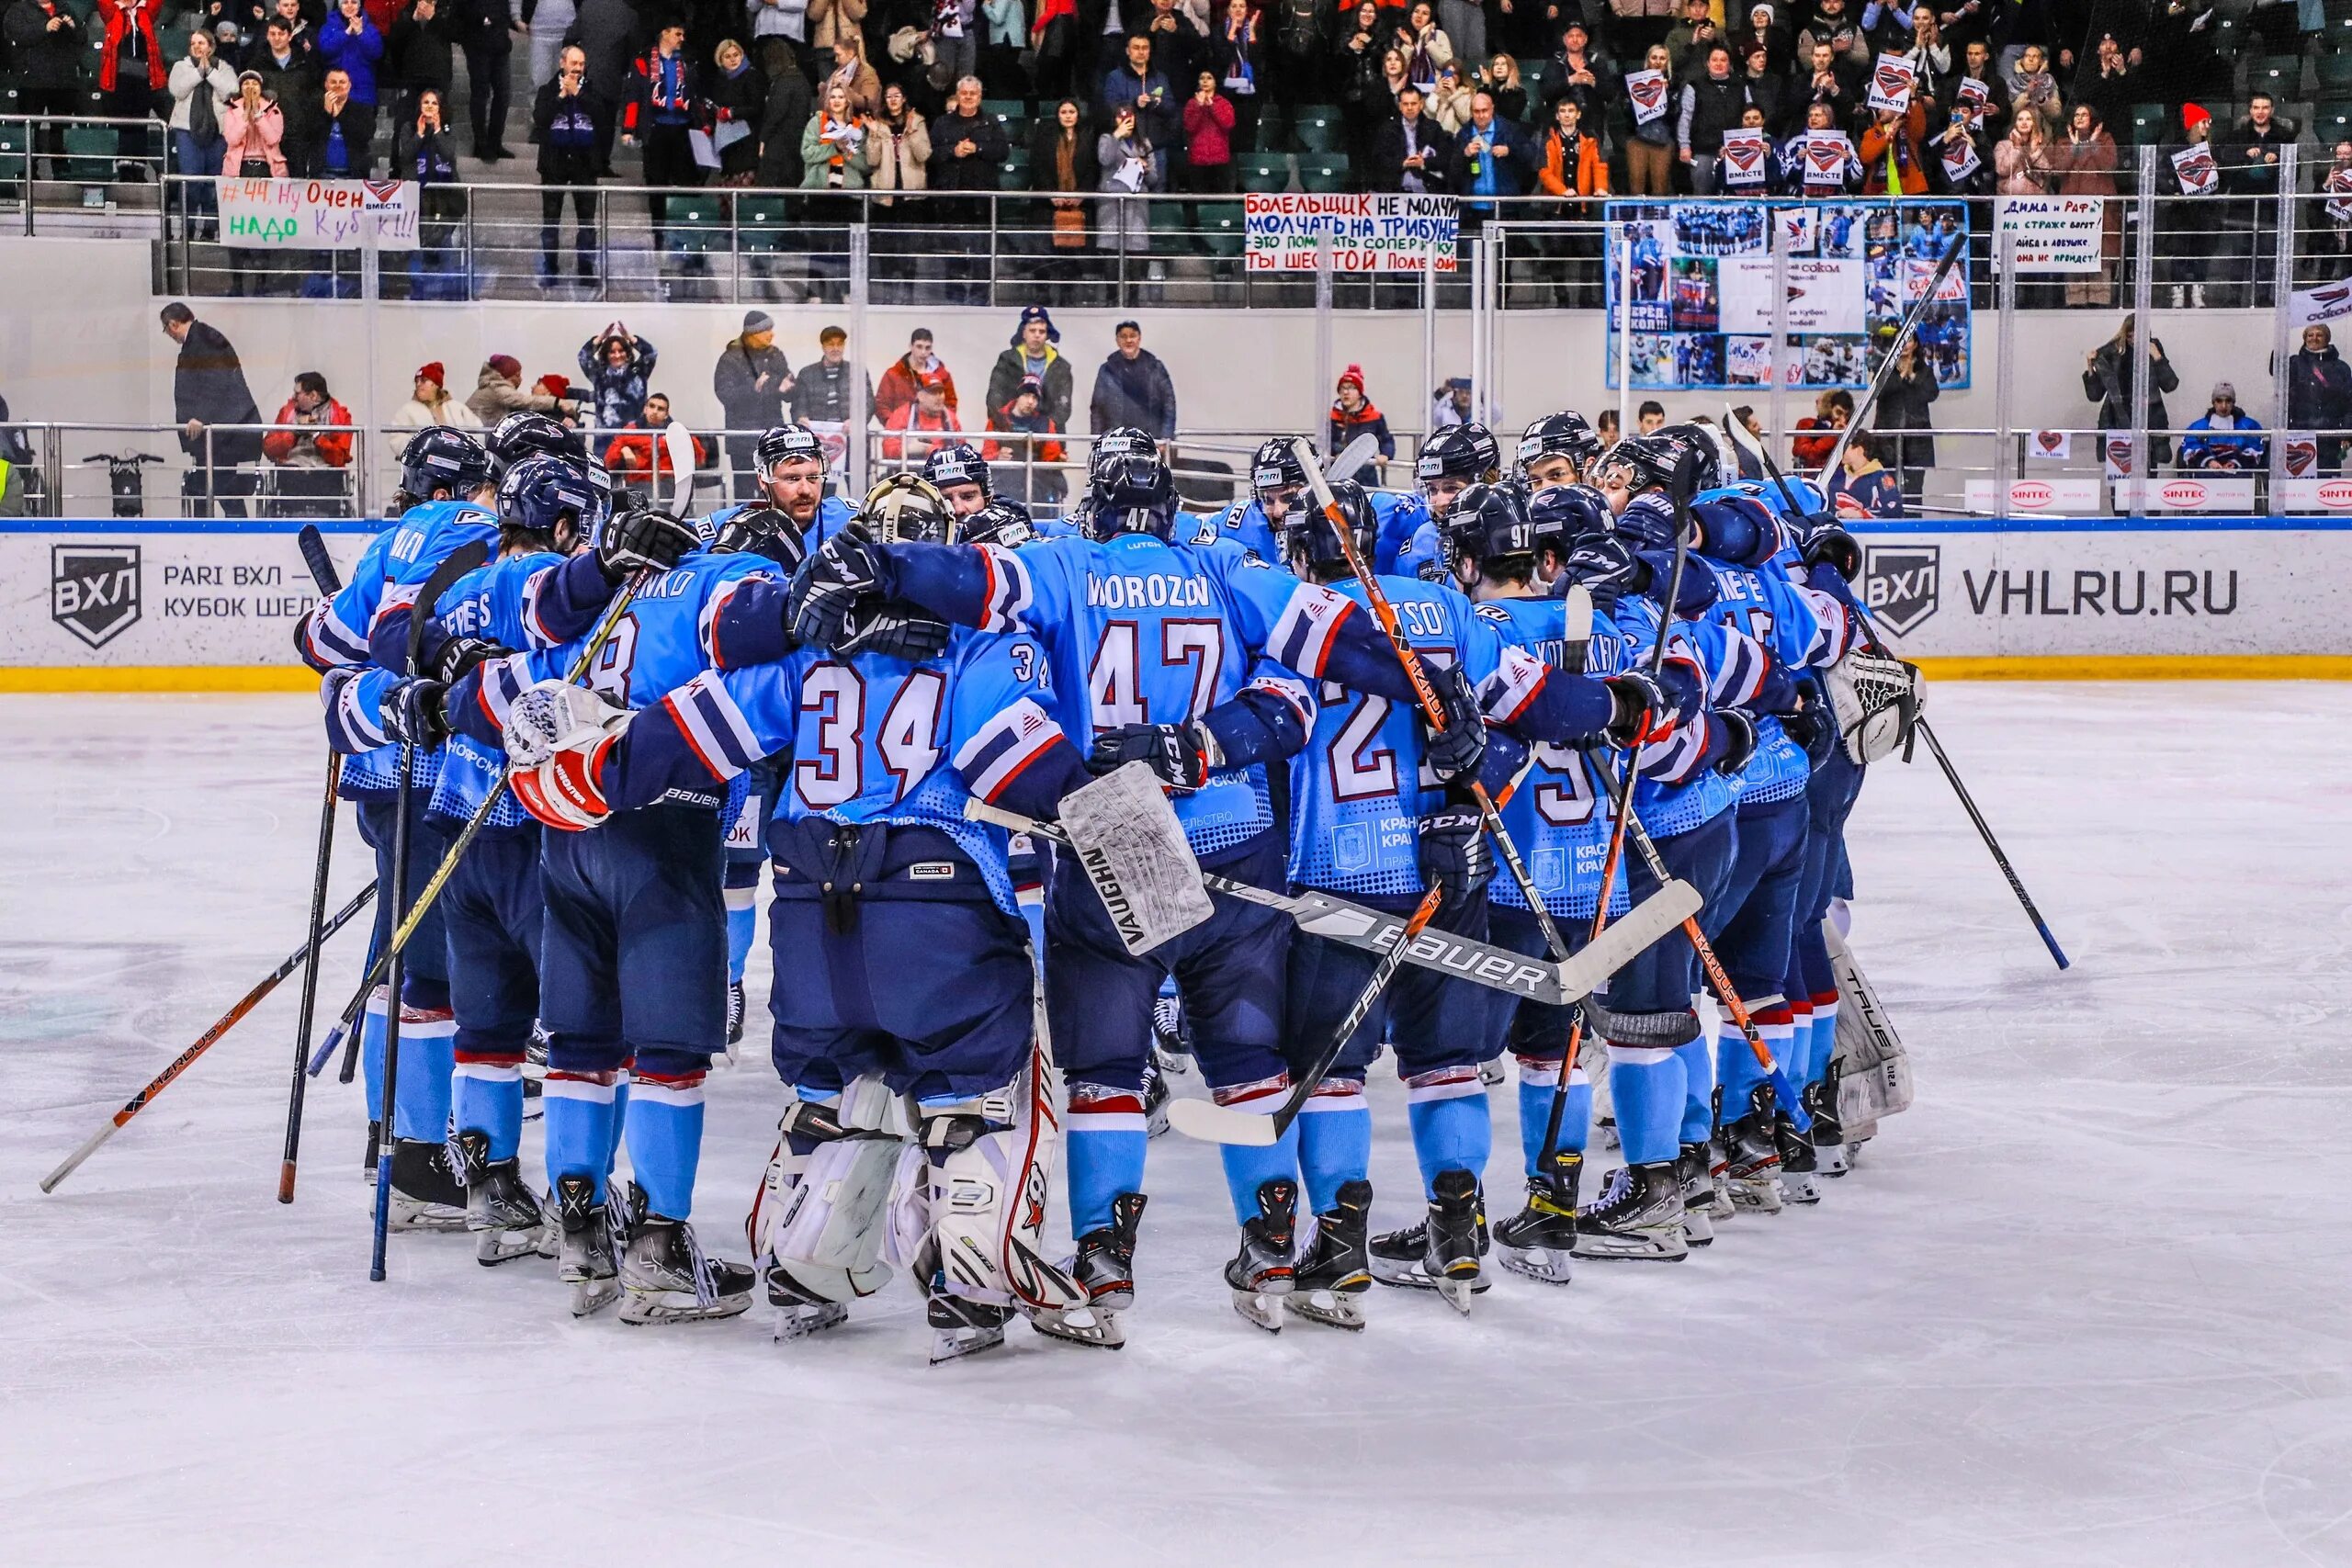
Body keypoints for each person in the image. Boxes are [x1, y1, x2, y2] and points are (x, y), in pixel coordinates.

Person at [162, 302, 264, 518]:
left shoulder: (203, 340)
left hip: (222, 436)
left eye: (167, 329)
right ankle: (228, 532)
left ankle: (229, 533)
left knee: (219, 489)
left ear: (172, 324)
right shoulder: (202, 338)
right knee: (212, 489)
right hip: (218, 436)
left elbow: (217, 381)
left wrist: (201, 417)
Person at [625, 21, 704, 253]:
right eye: (678, 34)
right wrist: (628, 129)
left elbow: (697, 96)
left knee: (684, 184)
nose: (682, 38)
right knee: (656, 183)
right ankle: (658, 236)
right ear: (664, 33)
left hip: (683, 129)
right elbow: (633, 96)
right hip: (656, 128)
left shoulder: (688, 60)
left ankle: (683, 237)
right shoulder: (643, 61)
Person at [532, 44, 603, 286]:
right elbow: (540, 119)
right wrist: (562, 96)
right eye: (574, 64)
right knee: (551, 220)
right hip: (555, 163)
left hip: (584, 163)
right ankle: (550, 267)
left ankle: (585, 269)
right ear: (562, 63)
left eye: (582, 64)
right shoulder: (547, 90)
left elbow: (602, 117)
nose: (578, 69)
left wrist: (579, 95)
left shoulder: (592, 90)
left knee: (587, 222)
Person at [715, 311, 796, 499]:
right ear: (753, 333)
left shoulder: (776, 355)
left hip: (772, 437)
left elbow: (789, 386)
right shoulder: (730, 359)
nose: (771, 334)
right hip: (742, 439)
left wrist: (787, 389)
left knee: (773, 489)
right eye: (767, 329)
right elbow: (725, 394)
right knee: (744, 491)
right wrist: (755, 388)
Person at [2083, 312, 2179, 468]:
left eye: (2137, 337)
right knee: (2118, 476)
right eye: (2129, 337)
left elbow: (2170, 385)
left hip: (2148, 420)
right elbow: (2094, 395)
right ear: (2124, 335)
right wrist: (2090, 366)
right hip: (2117, 419)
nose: (2134, 341)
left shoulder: (2153, 348)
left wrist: (2157, 356)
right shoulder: (2112, 352)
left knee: (2148, 476)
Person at [169, 30, 237, 242]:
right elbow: (177, 90)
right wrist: (199, 72)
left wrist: (211, 73)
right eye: (193, 43)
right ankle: (187, 228)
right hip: (187, 131)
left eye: (201, 43)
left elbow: (231, 90)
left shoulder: (224, 67)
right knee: (190, 182)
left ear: (211, 46)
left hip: (217, 132)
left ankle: (210, 228)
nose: (197, 47)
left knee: (212, 184)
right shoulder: (181, 67)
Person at [261, 370, 356, 518]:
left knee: (330, 476)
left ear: (313, 396)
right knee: (290, 474)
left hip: (326, 472)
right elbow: (269, 448)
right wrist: (294, 432)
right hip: (292, 469)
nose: (294, 397)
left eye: (297, 393)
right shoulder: (287, 413)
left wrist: (316, 435)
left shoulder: (339, 416)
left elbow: (339, 457)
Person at [2052, 102, 2118, 308]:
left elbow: (2109, 165)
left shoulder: (2105, 139)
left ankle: (2099, 300)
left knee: (2100, 252)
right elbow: (2059, 170)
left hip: (2100, 207)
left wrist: (2092, 144)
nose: (2079, 118)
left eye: (2084, 115)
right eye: (2076, 115)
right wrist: (2074, 147)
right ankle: (2076, 300)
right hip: (2073, 208)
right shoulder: (2063, 143)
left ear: (2093, 120)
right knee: (2074, 250)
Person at [602, 391, 710, 496]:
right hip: (637, 484)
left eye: (660, 409)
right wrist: (623, 449)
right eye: (652, 406)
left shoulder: (678, 433)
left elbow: (699, 457)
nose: (655, 411)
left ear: (666, 414)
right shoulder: (630, 430)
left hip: (668, 484)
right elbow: (609, 461)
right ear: (645, 409)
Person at [1088, 321, 1179, 446]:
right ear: (1117, 340)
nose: (1128, 340)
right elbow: (1097, 409)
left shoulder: (1155, 367)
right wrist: (1097, 442)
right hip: (1117, 442)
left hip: (1151, 441)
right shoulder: (1107, 369)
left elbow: (1169, 404)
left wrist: (1165, 437)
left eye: (1133, 335)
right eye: (1123, 336)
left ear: (1139, 338)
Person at [1028, 97, 1099, 255]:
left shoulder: (1088, 138)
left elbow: (1092, 169)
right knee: (1046, 249)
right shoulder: (1044, 137)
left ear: (1078, 115)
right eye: (1064, 112)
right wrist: (1051, 193)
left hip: (1080, 203)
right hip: (1048, 202)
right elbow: (1037, 167)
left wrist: (1081, 193)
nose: (1068, 116)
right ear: (1058, 115)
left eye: (1072, 112)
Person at [986, 306, 1074, 431]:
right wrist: (1006, 428)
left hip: (1048, 439)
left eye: (1042, 331)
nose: (1037, 335)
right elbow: (994, 397)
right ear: (1023, 333)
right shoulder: (1007, 360)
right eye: (1032, 330)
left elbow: (1063, 408)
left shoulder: (1062, 367)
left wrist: (1043, 429)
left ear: (1047, 335)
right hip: (1009, 434)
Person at [987, 373, 1068, 507]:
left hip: (1037, 486)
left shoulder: (1045, 423)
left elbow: (1051, 456)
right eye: (1026, 395)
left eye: (1034, 397)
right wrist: (998, 456)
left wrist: (1059, 460)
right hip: (1004, 483)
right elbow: (986, 454)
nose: (1030, 401)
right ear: (1017, 396)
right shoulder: (997, 420)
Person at [453, 0, 519, 160]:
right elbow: (461, 11)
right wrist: (482, 19)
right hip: (477, 43)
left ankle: (495, 142)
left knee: (503, 94)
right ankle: (480, 143)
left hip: (500, 44)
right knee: (480, 94)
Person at [1875, 336, 1939, 503]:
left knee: (1914, 490)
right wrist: (1900, 375)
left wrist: (1912, 376)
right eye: (1901, 340)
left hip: (1917, 441)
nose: (1904, 345)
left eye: (1909, 340)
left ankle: (1914, 521)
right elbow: (1878, 392)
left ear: (1916, 344)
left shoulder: (1924, 370)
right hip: (1887, 441)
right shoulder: (1885, 368)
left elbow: (1931, 394)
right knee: (1887, 488)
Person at [2284, 322, 2352, 476]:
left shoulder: (2341, 368)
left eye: (2319, 335)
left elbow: (2349, 403)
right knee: (2299, 485)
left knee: (2326, 483)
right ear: (2304, 339)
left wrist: (2347, 434)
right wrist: (2279, 344)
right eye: (2310, 335)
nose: (2314, 338)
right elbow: (2276, 371)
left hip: (2330, 436)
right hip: (2299, 434)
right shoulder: (2294, 364)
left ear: (2327, 339)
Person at [1451, 89, 1530, 218]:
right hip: (1473, 207)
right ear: (1471, 112)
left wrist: (1510, 150)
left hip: (1505, 205)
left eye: (1485, 110)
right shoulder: (1464, 134)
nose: (1481, 115)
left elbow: (1530, 155)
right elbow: (1453, 170)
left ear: (1492, 109)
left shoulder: (1509, 129)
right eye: (1476, 111)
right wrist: (1464, 154)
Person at [1095, 103, 1160, 256]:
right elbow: (1104, 160)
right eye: (1121, 116)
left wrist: (1146, 170)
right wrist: (1116, 136)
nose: (1126, 120)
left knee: (1135, 256)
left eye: (1129, 116)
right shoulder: (1106, 139)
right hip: (1112, 204)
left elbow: (1154, 180)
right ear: (1115, 120)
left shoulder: (1144, 143)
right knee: (1112, 254)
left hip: (1136, 205)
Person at [752, 35, 812, 189]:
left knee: (769, 192)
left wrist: (763, 138)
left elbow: (776, 114)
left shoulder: (784, 82)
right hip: (797, 143)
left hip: (779, 148)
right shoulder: (802, 79)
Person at [788, 324, 871, 438]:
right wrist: (801, 418)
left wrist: (856, 420)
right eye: (831, 344)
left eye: (840, 344)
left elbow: (868, 403)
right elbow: (798, 405)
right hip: (817, 438)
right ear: (823, 347)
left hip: (852, 438)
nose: (836, 349)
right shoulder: (806, 374)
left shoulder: (857, 372)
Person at [707, 38, 767, 184]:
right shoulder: (720, 79)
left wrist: (732, 113)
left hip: (748, 141)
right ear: (720, 59)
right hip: (727, 142)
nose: (733, 59)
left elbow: (757, 107)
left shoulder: (752, 76)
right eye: (728, 56)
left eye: (736, 55)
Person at [469, 353, 587, 426]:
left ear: (548, 391)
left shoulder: (493, 387)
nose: (531, 386)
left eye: (539, 383)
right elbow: (526, 401)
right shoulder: (498, 388)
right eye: (518, 375)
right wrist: (557, 402)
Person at [576, 322, 656, 430]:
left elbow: (651, 353)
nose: (617, 355)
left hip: (635, 435)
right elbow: (583, 356)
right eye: (612, 352)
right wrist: (600, 339)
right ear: (606, 355)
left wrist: (630, 338)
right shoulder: (599, 374)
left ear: (627, 353)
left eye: (621, 351)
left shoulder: (639, 372)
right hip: (605, 436)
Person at [1620, 42, 1675, 196]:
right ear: (1647, 60)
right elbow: (1626, 113)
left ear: (1668, 62)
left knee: (1660, 186)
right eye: (1654, 57)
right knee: (1636, 186)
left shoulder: (1674, 84)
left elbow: (1675, 116)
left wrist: (1666, 95)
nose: (1658, 62)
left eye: (1662, 58)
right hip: (1637, 137)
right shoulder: (1634, 83)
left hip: (1663, 139)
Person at [1372, 84, 1449, 194]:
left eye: (1413, 104)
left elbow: (1445, 158)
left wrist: (1423, 163)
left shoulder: (1433, 128)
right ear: (1400, 106)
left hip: (1428, 191)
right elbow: (1379, 160)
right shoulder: (1387, 129)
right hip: (1395, 190)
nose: (1409, 108)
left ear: (1421, 104)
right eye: (1405, 104)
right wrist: (1402, 163)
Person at [2178, 383, 2267, 473]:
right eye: (2219, 401)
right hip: (2206, 478)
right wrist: (2209, 461)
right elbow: (2190, 448)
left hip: (2239, 478)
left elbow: (2256, 449)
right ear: (2213, 403)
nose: (2224, 406)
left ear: (2233, 403)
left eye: (2228, 401)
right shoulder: (2199, 427)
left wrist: (2235, 463)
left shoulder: (2248, 426)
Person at [1326, 367, 1393, 485]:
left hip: (1366, 476)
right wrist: (1335, 453)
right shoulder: (1332, 417)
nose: (1346, 392)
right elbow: (1326, 442)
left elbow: (1386, 440)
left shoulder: (1374, 416)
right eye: (1343, 388)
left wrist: (1386, 454)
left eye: (1351, 388)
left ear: (1359, 392)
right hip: (1339, 475)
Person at [880, 328, 959, 426]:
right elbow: (882, 404)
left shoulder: (942, 375)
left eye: (927, 348)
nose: (923, 352)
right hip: (902, 432)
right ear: (911, 346)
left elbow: (950, 404)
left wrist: (945, 424)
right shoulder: (894, 374)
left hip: (936, 434)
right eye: (919, 347)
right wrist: (894, 425)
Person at [881, 370, 962, 464]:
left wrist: (932, 450)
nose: (939, 397)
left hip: (944, 472)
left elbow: (962, 448)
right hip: (911, 475)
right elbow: (888, 449)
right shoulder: (902, 415)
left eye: (941, 392)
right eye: (933, 392)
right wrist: (906, 449)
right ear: (920, 396)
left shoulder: (950, 419)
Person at [1181, 71, 1237, 201]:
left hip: (1220, 160)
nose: (1205, 81)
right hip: (1198, 161)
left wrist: (1212, 106)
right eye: (1202, 78)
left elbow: (1228, 125)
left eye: (1209, 78)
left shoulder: (1224, 103)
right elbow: (1190, 127)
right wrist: (1199, 107)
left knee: (1220, 201)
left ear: (1215, 82)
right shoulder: (1191, 104)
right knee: (1199, 201)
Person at [1824, 429, 1904, 517]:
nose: (1839, 451)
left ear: (1859, 450)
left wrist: (1860, 515)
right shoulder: (1835, 475)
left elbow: (1894, 508)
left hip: (1868, 530)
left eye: (1845, 446)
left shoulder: (1880, 478)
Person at [395, 362, 483, 441]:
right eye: (416, 381)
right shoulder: (408, 410)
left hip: (456, 457)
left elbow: (477, 430)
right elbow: (397, 437)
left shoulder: (457, 408)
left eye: (423, 380)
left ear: (436, 384)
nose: (418, 384)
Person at [1791, 389, 1851, 470]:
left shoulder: (1848, 427)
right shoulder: (1806, 424)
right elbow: (1809, 455)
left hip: (1842, 474)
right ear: (1829, 408)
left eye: (1846, 415)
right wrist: (1833, 435)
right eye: (1838, 413)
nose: (1842, 420)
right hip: (1814, 472)